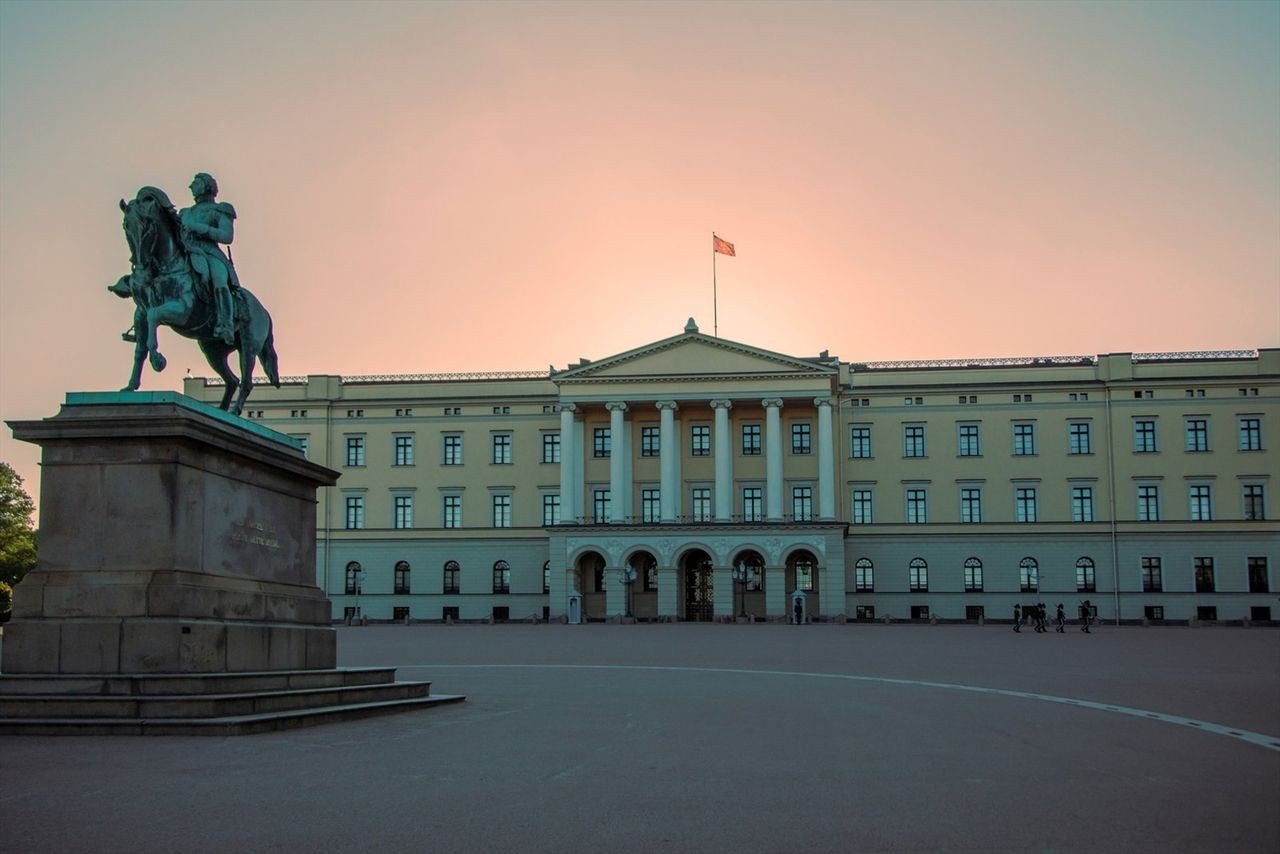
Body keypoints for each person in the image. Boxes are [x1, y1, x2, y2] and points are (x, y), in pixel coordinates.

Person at [180, 172, 241, 344]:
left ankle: (226, 324)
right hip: (188, 251)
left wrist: (200, 228)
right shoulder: (184, 213)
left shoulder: (220, 209)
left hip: (210, 253)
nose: (191, 187)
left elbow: (227, 236)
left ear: (207, 186)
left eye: (195, 183)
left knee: (219, 281)